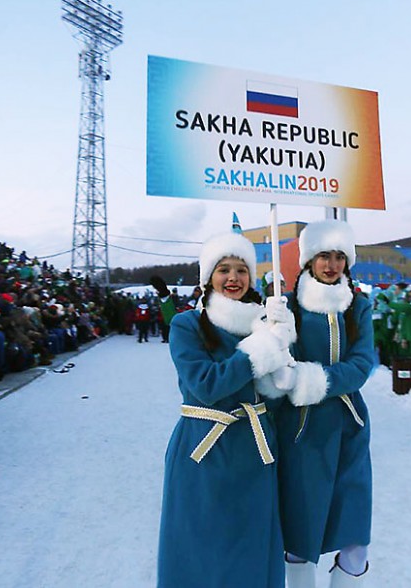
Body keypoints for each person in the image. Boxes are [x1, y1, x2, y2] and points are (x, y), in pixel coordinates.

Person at [157, 231, 294, 588]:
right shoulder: (186, 325)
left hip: (255, 450)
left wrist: (283, 342)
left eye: (241, 270)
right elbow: (206, 385)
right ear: (208, 278)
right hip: (206, 449)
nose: (233, 277)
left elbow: (276, 391)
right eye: (223, 269)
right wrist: (260, 349)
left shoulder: (260, 324)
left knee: (250, 545)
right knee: (203, 545)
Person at [272, 219, 375, 587]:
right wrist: (276, 341)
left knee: (355, 539)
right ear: (308, 261)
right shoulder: (290, 308)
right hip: (302, 432)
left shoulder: (357, 306)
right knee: (301, 536)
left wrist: (312, 380)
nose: (331, 265)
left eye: (338, 257)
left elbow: (363, 364)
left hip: (349, 428)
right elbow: (279, 369)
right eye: (322, 256)